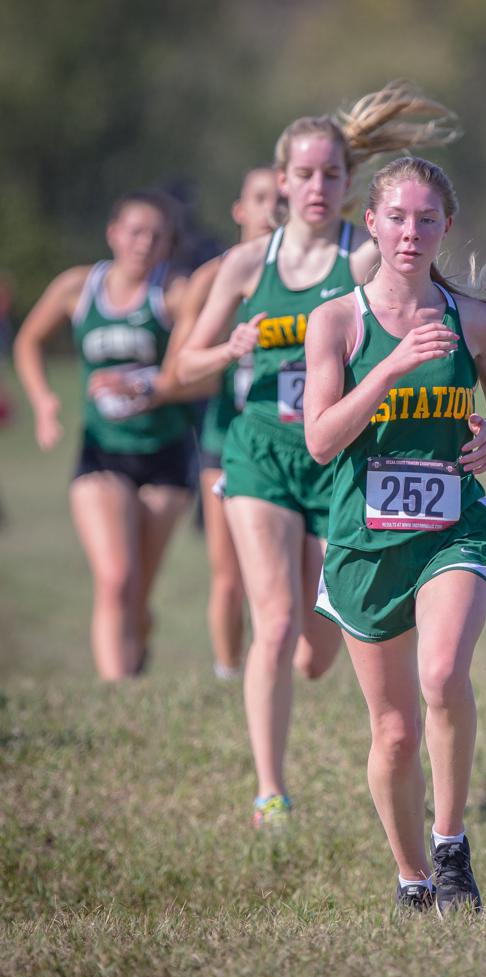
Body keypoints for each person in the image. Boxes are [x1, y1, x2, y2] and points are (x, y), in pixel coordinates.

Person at [175, 82, 460, 828]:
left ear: (345, 184)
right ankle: (271, 790)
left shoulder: (362, 253)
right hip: (262, 452)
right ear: (280, 180)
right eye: (302, 174)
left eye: (331, 174)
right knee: (271, 622)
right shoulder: (245, 267)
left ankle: (311, 678)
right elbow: (182, 368)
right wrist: (228, 349)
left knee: (315, 651)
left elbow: (411, 247)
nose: (315, 186)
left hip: (341, 463)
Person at [303, 156, 486, 914]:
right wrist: (390, 367)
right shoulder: (335, 321)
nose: (410, 232)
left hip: (451, 529)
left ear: (445, 228)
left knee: (439, 677)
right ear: (371, 222)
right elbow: (323, 440)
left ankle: (452, 845)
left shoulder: (474, 320)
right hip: (364, 543)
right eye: (396, 216)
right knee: (394, 732)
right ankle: (411, 880)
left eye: (427, 219)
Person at [14, 189, 194, 681]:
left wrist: (147, 385)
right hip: (101, 453)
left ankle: (138, 634)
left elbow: (192, 369)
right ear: (113, 233)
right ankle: (118, 695)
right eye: (136, 232)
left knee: (136, 596)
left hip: (166, 456)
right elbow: (28, 340)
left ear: (167, 244)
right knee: (115, 580)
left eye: (157, 236)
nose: (144, 244)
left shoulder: (174, 293)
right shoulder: (78, 287)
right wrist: (45, 402)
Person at [164, 167, 279, 681]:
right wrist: (229, 357)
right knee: (230, 576)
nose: (273, 209)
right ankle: (229, 673)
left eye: (282, 198)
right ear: (239, 210)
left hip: (296, 441)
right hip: (226, 437)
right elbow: (177, 375)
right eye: (261, 198)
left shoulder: (318, 274)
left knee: (294, 575)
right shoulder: (214, 278)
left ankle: (280, 670)